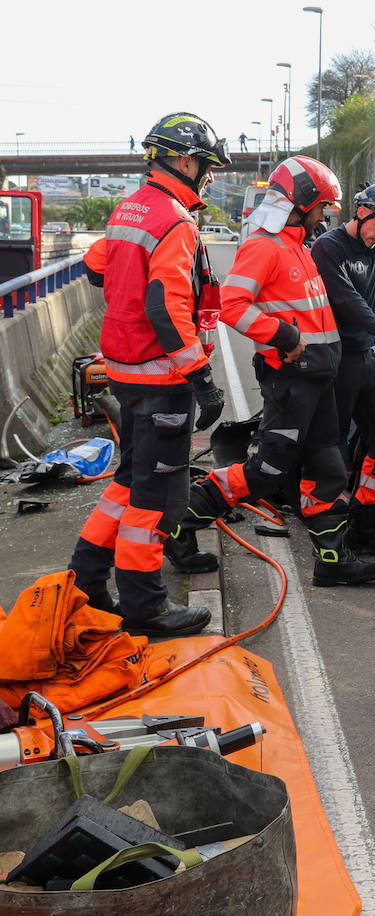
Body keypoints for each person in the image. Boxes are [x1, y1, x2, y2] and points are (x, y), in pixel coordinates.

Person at [181, 155, 375, 588]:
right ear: (302, 201)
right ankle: (182, 522)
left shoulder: (297, 246)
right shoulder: (263, 246)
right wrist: (286, 338)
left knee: (328, 468)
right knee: (269, 471)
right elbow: (232, 306)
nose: (324, 216)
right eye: (321, 208)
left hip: (318, 380)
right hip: (290, 381)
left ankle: (333, 560)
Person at [67, 112, 231, 637]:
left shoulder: (128, 209)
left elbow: (95, 268)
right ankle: (147, 608)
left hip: (123, 370)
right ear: (183, 161)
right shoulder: (176, 220)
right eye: (205, 166)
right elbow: (166, 306)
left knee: (124, 483)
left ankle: (86, 582)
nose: (207, 176)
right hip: (160, 376)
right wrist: (201, 377)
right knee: (155, 498)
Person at [310, 181, 375, 556]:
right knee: (333, 452)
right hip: (335, 359)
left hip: (366, 359)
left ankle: (365, 526)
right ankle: (330, 542)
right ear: (360, 212)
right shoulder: (329, 248)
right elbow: (345, 299)